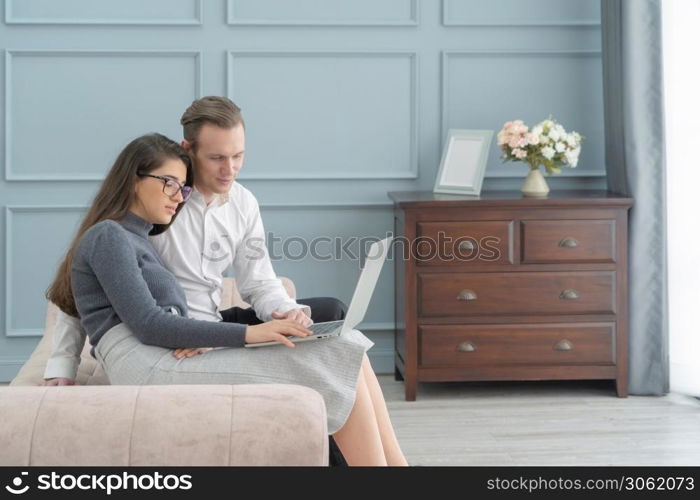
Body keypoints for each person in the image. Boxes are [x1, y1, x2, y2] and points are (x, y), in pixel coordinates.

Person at [44, 105, 407, 465]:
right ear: (188, 151)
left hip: (197, 329)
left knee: (340, 333)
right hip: (169, 343)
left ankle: (397, 466)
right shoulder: (136, 225)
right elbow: (92, 295)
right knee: (333, 354)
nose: (229, 169)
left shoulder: (224, 206)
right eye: (217, 157)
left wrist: (282, 313)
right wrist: (63, 362)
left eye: (238, 156)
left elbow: (260, 281)